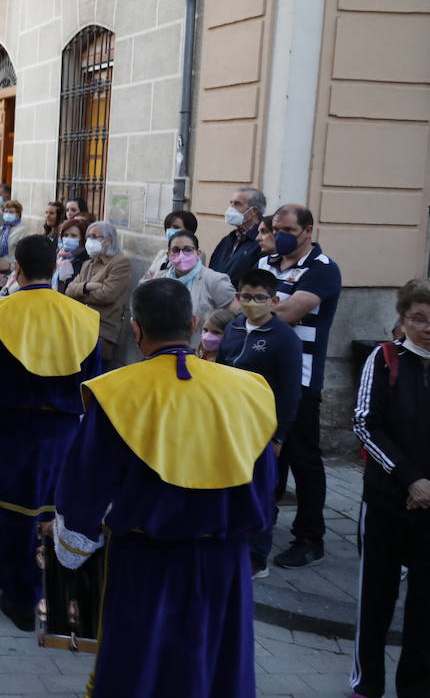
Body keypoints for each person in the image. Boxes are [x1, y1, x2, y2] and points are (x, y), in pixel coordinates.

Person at [53, 279, 277, 697]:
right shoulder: (250, 391)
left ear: (136, 330)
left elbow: (86, 479)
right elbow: (264, 484)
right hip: (225, 561)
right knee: (213, 665)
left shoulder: (117, 392)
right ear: (193, 324)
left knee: (142, 667)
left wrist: (74, 544)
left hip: (146, 561)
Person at [0, 234, 102, 631]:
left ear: (19, 268)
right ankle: (47, 588)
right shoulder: (83, 316)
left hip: (11, 427)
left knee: (13, 506)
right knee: (51, 506)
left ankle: (19, 592)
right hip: (61, 429)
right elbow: (90, 380)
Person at [350, 279, 430, 698]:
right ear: (403, 319)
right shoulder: (384, 360)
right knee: (375, 599)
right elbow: (365, 423)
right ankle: (368, 682)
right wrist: (410, 479)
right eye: (419, 318)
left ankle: (415, 686)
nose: (428, 327)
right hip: (385, 503)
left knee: (425, 606)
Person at [260, 204, 341, 570]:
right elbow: (238, 301)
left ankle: (310, 537)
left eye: (288, 228)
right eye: (276, 227)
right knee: (266, 455)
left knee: (305, 458)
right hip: (261, 376)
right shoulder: (266, 265)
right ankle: (262, 520)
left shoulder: (323, 270)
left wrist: (258, 304)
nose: (281, 234)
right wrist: (261, 303)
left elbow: (292, 312)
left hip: (301, 380)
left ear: (308, 230)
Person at [218, 269, 302, 578]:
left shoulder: (285, 340)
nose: (251, 304)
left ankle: (257, 556)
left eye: (259, 298)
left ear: (274, 300)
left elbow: (291, 392)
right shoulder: (235, 327)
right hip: (230, 424)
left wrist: (279, 436)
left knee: (262, 491)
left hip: (262, 429)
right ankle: (231, 540)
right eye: (245, 297)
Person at [64, 221, 132, 362]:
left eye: (94, 236)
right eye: (88, 236)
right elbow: (69, 291)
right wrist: (87, 287)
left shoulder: (120, 263)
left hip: (101, 331)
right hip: (79, 328)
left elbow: (107, 295)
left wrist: (80, 293)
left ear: (108, 240)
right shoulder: (88, 263)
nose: (90, 241)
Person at [160, 229, 239, 330]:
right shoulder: (159, 280)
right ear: (168, 254)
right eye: (175, 250)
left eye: (187, 250)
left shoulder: (214, 281)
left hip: (199, 344)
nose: (181, 255)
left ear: (198, 253)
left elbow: (235, 317)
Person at [211, 186, 267, 287]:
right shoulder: (228, 240)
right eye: (231, 203)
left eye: (237, 204)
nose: (230, 209)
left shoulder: (262, 241)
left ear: (254, 210)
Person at [143, 209, 199, 280]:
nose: (170, 230)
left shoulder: (194, 256)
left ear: (188, 231)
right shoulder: (162, 254)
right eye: (168, 227)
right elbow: (146, 279)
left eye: (176, 227)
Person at [51, 218, 89, 292]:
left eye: (73, 236)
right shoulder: (58, 255)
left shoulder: (85, 259)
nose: (68, 239)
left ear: (83, 239)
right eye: (65, 235)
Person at [0, 200, 29, 278]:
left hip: (12, 272)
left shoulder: (23, 230)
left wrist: (11, 266)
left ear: (18, 214)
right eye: (6, 211)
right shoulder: (2, 228)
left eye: (11, 212)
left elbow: (24, 254)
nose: (8, 214)